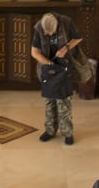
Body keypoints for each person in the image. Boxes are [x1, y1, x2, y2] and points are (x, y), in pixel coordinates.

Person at [31, 12, 81, 145]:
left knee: (64, 102)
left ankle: (67, 133)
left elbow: (78, 38)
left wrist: (66, 48)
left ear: (57, 26)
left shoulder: (66, 22)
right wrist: (49, 63)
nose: (48, 35)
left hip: (64, 66)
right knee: (49, 101)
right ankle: (50, 131)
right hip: (48, 68)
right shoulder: (39, 28)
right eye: (46, 33)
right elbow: (34, 52)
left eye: (51, 33)